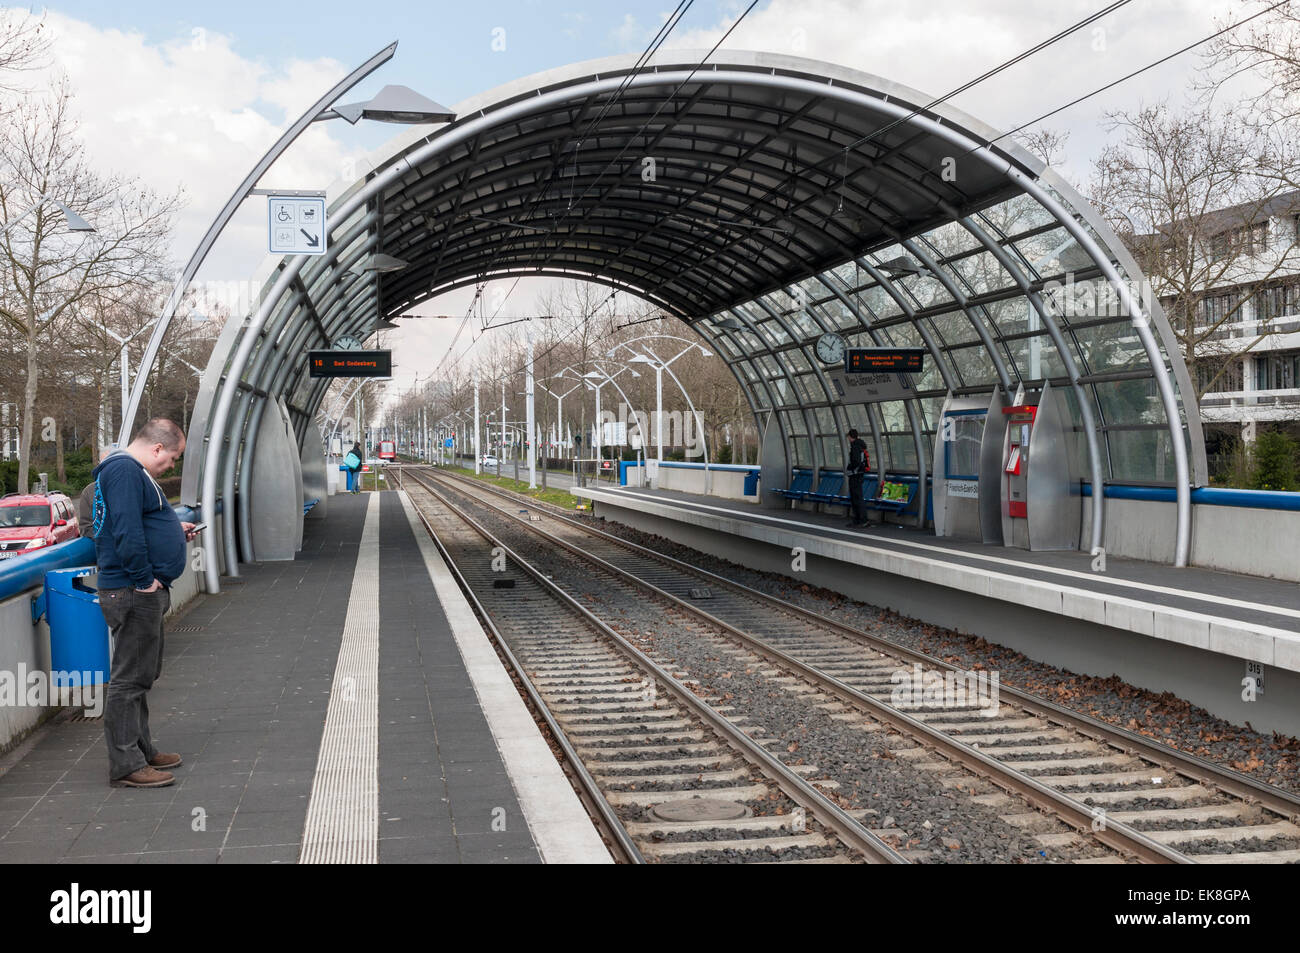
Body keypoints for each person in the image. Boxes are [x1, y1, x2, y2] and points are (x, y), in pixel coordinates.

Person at [92, 418, 199, 788]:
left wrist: (173, 529)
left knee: (141, 675)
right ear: (156, 448)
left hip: (135, 589)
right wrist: (144, 581)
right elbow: (125, 530)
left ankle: (142, 749)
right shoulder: (124, 471)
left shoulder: (130, 472)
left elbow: (140, 522)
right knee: (128, 680)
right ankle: (126, 765)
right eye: (171, 458)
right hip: (133, 590)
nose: (171, 466)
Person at [845, 427, 871, 528]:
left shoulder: (855, 446)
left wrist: (849, 468)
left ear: (851, 437)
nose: (848, 439)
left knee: (857, 498)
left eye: (848, 437)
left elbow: (856, 461)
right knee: (857, 497)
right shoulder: (860, 445)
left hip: (855, 475)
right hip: (859, 474)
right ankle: (859, 519)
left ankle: (862, 520)